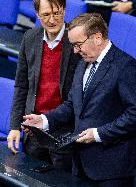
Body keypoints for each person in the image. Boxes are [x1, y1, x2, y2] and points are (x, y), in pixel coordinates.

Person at [22, 13, 136, 187]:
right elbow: (72, 105)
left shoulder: (125, 66)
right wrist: (44, 120)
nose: (75, 51)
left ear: (97, 37)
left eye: (78, 44)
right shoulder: (83, 63)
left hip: (111, 171)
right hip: (80, 163)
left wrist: (98, 134)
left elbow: (134, 114)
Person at [7, 0, 81, 171]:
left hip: (65, 131)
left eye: (57, 13)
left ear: (64, 10)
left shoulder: (77, 40)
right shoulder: (30, 38)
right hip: (34, 130)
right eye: (46, 14)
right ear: (37, 15)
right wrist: (15, 126)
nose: (52, 20)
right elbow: (21, 86)